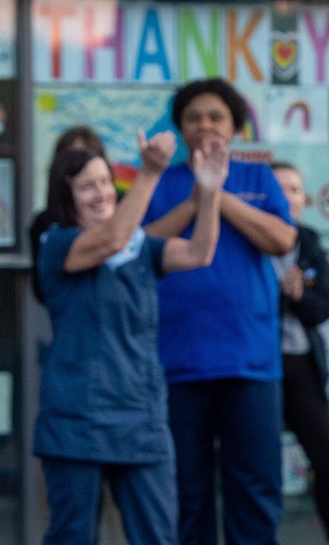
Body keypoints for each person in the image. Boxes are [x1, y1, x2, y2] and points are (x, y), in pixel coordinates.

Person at [35, 130, 227, 545]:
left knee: (158, 536)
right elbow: (109, 240)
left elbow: (199, 253)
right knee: (72, 537)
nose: (101, 193)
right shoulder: (56, 244)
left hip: (141, 421)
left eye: (106, 182)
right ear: (65, 196)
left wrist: (209, 192)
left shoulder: (140, 246)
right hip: (76, 423)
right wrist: (151, 172)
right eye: (87, 186)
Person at [143, 78, 297, 545]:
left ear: (234, 126)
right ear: (180, 127)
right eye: (194, 117)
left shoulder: (256, 177)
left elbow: (282, 239)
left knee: (254, 487)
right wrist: (197, 196)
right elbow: (140, 245)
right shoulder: (160, 182)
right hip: (177, 359)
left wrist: (219, 193)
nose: (205, 125)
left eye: (216, 117)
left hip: (250, 359)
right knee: (185, 491)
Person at [269, 161, 329, 545]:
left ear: (304, 199)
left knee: (327, 460)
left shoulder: (309, 239)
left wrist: (299, 294)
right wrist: (277, 292)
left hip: (302, 365)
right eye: (279, 188)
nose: (288, 197)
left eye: (294, 189)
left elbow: (321, 308)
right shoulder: (249, 243)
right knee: (258, 465)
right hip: (260, 368)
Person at [30, 125, 107, 302]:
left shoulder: (119, 212)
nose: (82, 167)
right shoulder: (50, 228)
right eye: (71, 162)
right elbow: (40, 290)